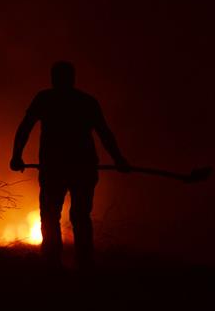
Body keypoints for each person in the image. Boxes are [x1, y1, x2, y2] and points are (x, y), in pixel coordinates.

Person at [10, 61, 129, 271]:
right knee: (79, 216)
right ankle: (82, 264)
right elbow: (104, 133)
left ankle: (53, 264)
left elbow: (25, 127)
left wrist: (16, 156)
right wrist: (119, 160)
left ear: (54, 78)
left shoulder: (45, 99)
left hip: (55, 167)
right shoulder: (86, 101)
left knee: (51, 215)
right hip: (81, 167)